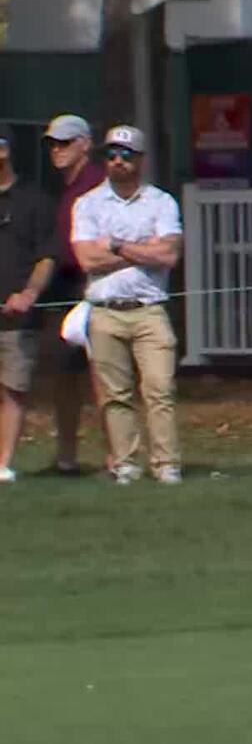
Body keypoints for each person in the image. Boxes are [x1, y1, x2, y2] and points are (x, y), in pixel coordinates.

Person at [69, 126, 182, 485]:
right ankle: (126, 464)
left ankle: (166, 464)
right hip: (104, 310)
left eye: (126, 155)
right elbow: (87, 260)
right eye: (112, 155)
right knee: (114, 395)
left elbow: (168, 254)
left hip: (149, 308)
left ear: (141, 160)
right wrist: (139, 251)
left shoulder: (162, 202)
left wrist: (116, 246)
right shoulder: (87, 204)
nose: (118, 161)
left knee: (159, 388)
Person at [40, 113, 106, 475]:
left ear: (85, 143)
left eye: (64, 142)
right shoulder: (64, 190)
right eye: (52, 143)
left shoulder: (98, 184)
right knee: (64, 374)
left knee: (102, 374)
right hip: (65, 288)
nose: (57, 150)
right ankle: (66, 456)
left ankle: (118, 454)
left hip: (94, 286)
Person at [0, 124, 57, 482]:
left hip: (16, 318)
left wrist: (29, 295)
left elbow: (46, 256)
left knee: (12, 389)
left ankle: (3, 462)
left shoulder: (34, 200)